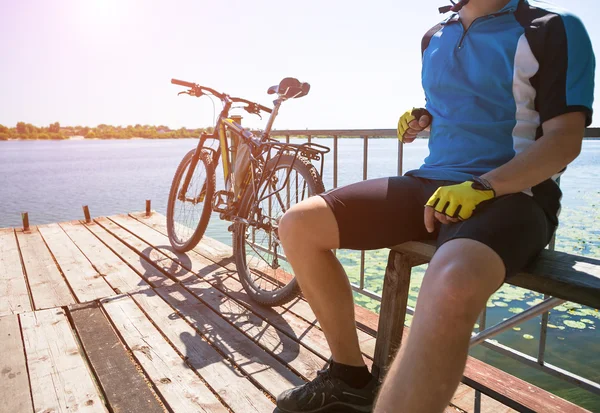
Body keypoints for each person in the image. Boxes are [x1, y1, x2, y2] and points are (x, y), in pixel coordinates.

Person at [275, 0, 595, 411]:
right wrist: (424, 116)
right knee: (299, 225)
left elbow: (564, 139)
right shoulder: (434, 37)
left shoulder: (551, 27)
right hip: (432, 183)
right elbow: (464, 103)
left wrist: (484, 186)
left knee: (452, 280)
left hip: (514, 194)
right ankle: (348, 376)